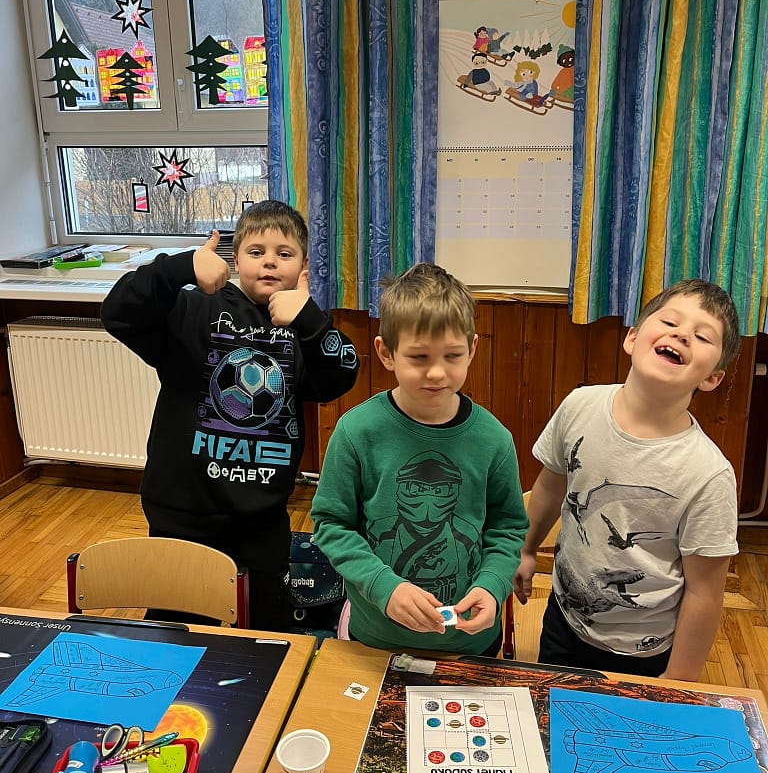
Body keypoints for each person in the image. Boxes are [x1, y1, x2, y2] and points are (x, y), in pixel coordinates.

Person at [101, 199, 360, 630]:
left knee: (267, 632)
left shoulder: (303, 327)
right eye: (256, 251)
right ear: (235, 259)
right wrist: (181, 267)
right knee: (175, 629)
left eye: (284, 253)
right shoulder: (195, 310)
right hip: (182, 513)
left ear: (303, 266)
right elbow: (118, 312)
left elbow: (342, 374)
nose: (269, 262)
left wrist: (310, 321)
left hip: (261, 520)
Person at [513, 279, 741, 680]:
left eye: (703, 336)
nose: (681, 334)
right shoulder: (579, 406)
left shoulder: (709, 475)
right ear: (632, 338)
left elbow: (705, 592)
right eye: (669, 321)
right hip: (565, 622)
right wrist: (527, 549)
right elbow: (550, 486)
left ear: (712, 378)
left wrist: (679, 680)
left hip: (644, 652)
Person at [311, 262, 528, 656]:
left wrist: (492, 585)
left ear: (472, 349)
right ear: (386, 353)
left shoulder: (494, 440)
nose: (436, 373)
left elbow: (508, 528)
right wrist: (383, 586)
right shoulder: (356, 431)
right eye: (419, 357)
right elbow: (331, 525)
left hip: (470, 644)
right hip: (374, 642)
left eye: (452, 356)